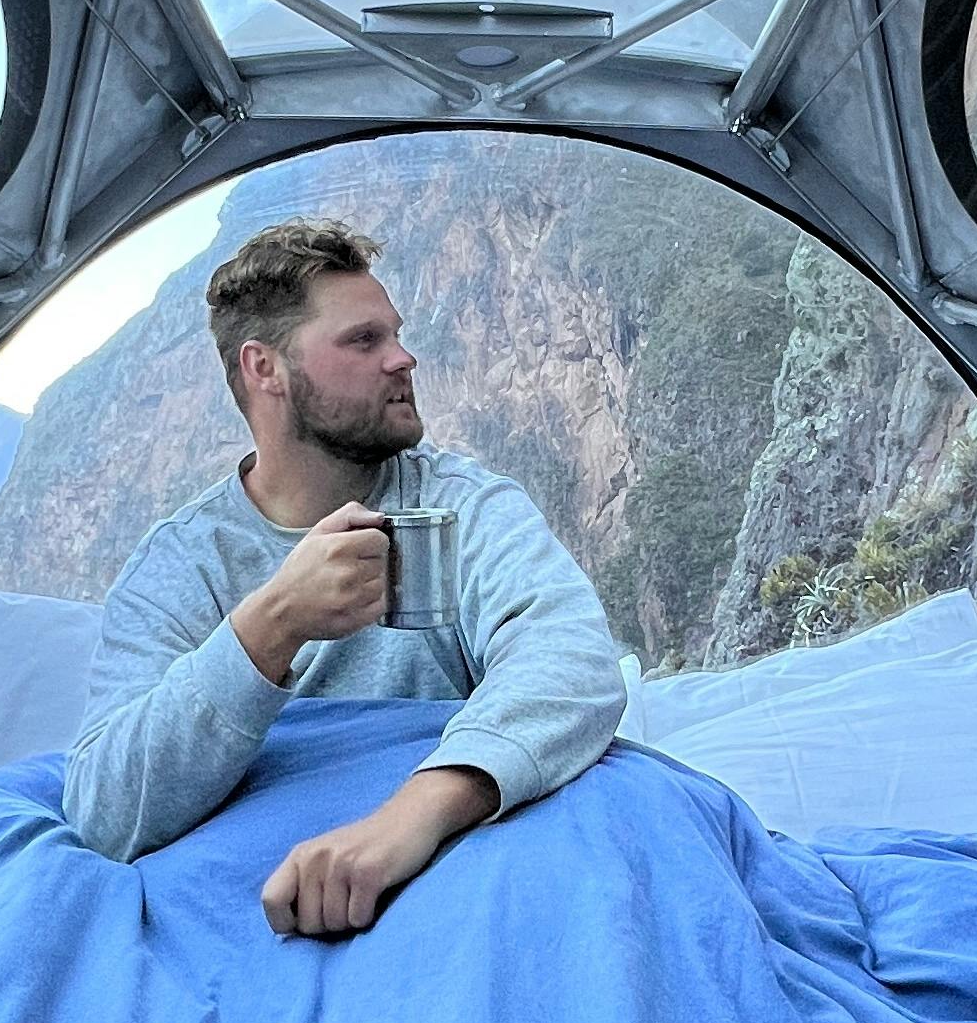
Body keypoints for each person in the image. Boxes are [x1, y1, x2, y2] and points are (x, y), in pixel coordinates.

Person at [62, 216, 626, 933]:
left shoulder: (460, 504)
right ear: (263, 368)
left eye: (394, 333)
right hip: (252, 894)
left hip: (442, 865)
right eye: (364, 341)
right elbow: (105, 812)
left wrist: (407, 822)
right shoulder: (180, 566)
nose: (403, 359)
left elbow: (571, 658)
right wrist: (270, 627)